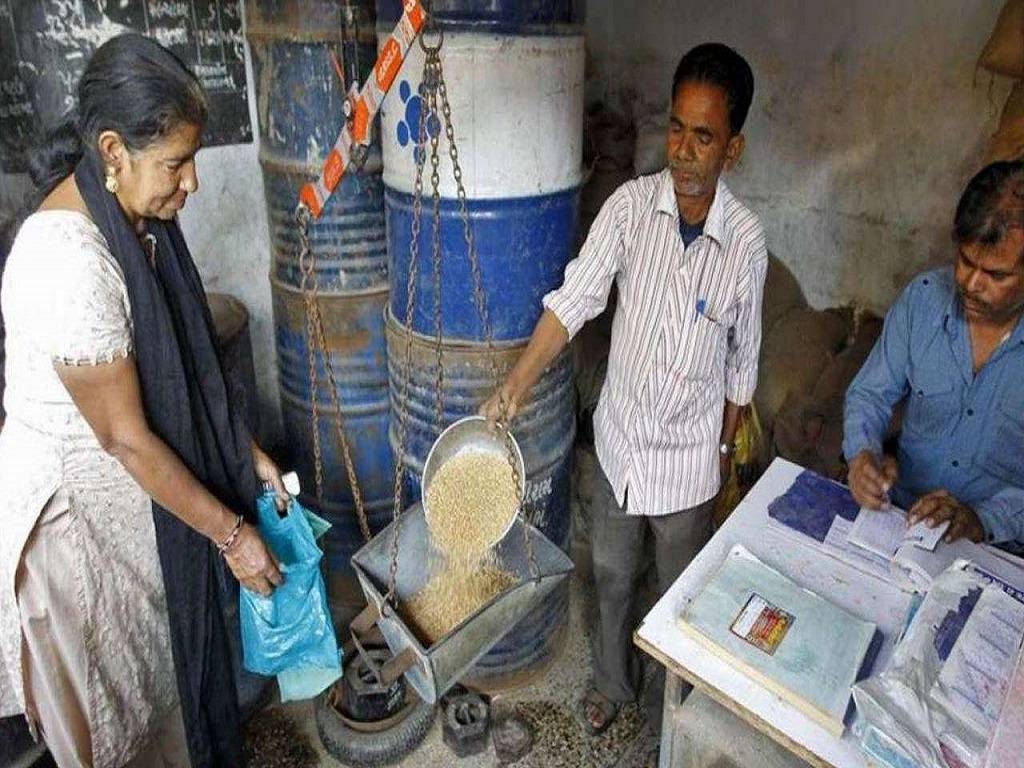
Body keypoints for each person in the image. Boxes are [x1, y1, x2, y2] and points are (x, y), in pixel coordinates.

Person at [0, 34, 287, 768]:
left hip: (139, 524)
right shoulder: (66, 264)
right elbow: (127, 437)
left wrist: (242, 451)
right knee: (118, 725)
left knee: (167, 706)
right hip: (80, 546)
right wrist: (230, 535)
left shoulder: (137, 222)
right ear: (112, 151)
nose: (190, 183)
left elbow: (184, 371)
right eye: (176, 163)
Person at [481, 43, 766, 739]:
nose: (685, 150)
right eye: (676, 128)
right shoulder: (630, 210)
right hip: (619, 446)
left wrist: (726, 454)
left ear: (733, 148)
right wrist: (515, 385)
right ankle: (612, 680)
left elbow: (741, 366)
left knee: (677, 596)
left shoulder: (747, 245)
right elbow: (573, 301)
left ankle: (674, 709)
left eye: (704, 136)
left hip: (690, 462)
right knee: (610, 577)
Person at [844, 160, 1024, 548]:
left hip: (997, 548)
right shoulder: (924, 300)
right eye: (966, 261)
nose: (971, 284)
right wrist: (862, 456)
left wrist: (981, 520)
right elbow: (870, 394)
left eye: (996, 275)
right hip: (903, 522)